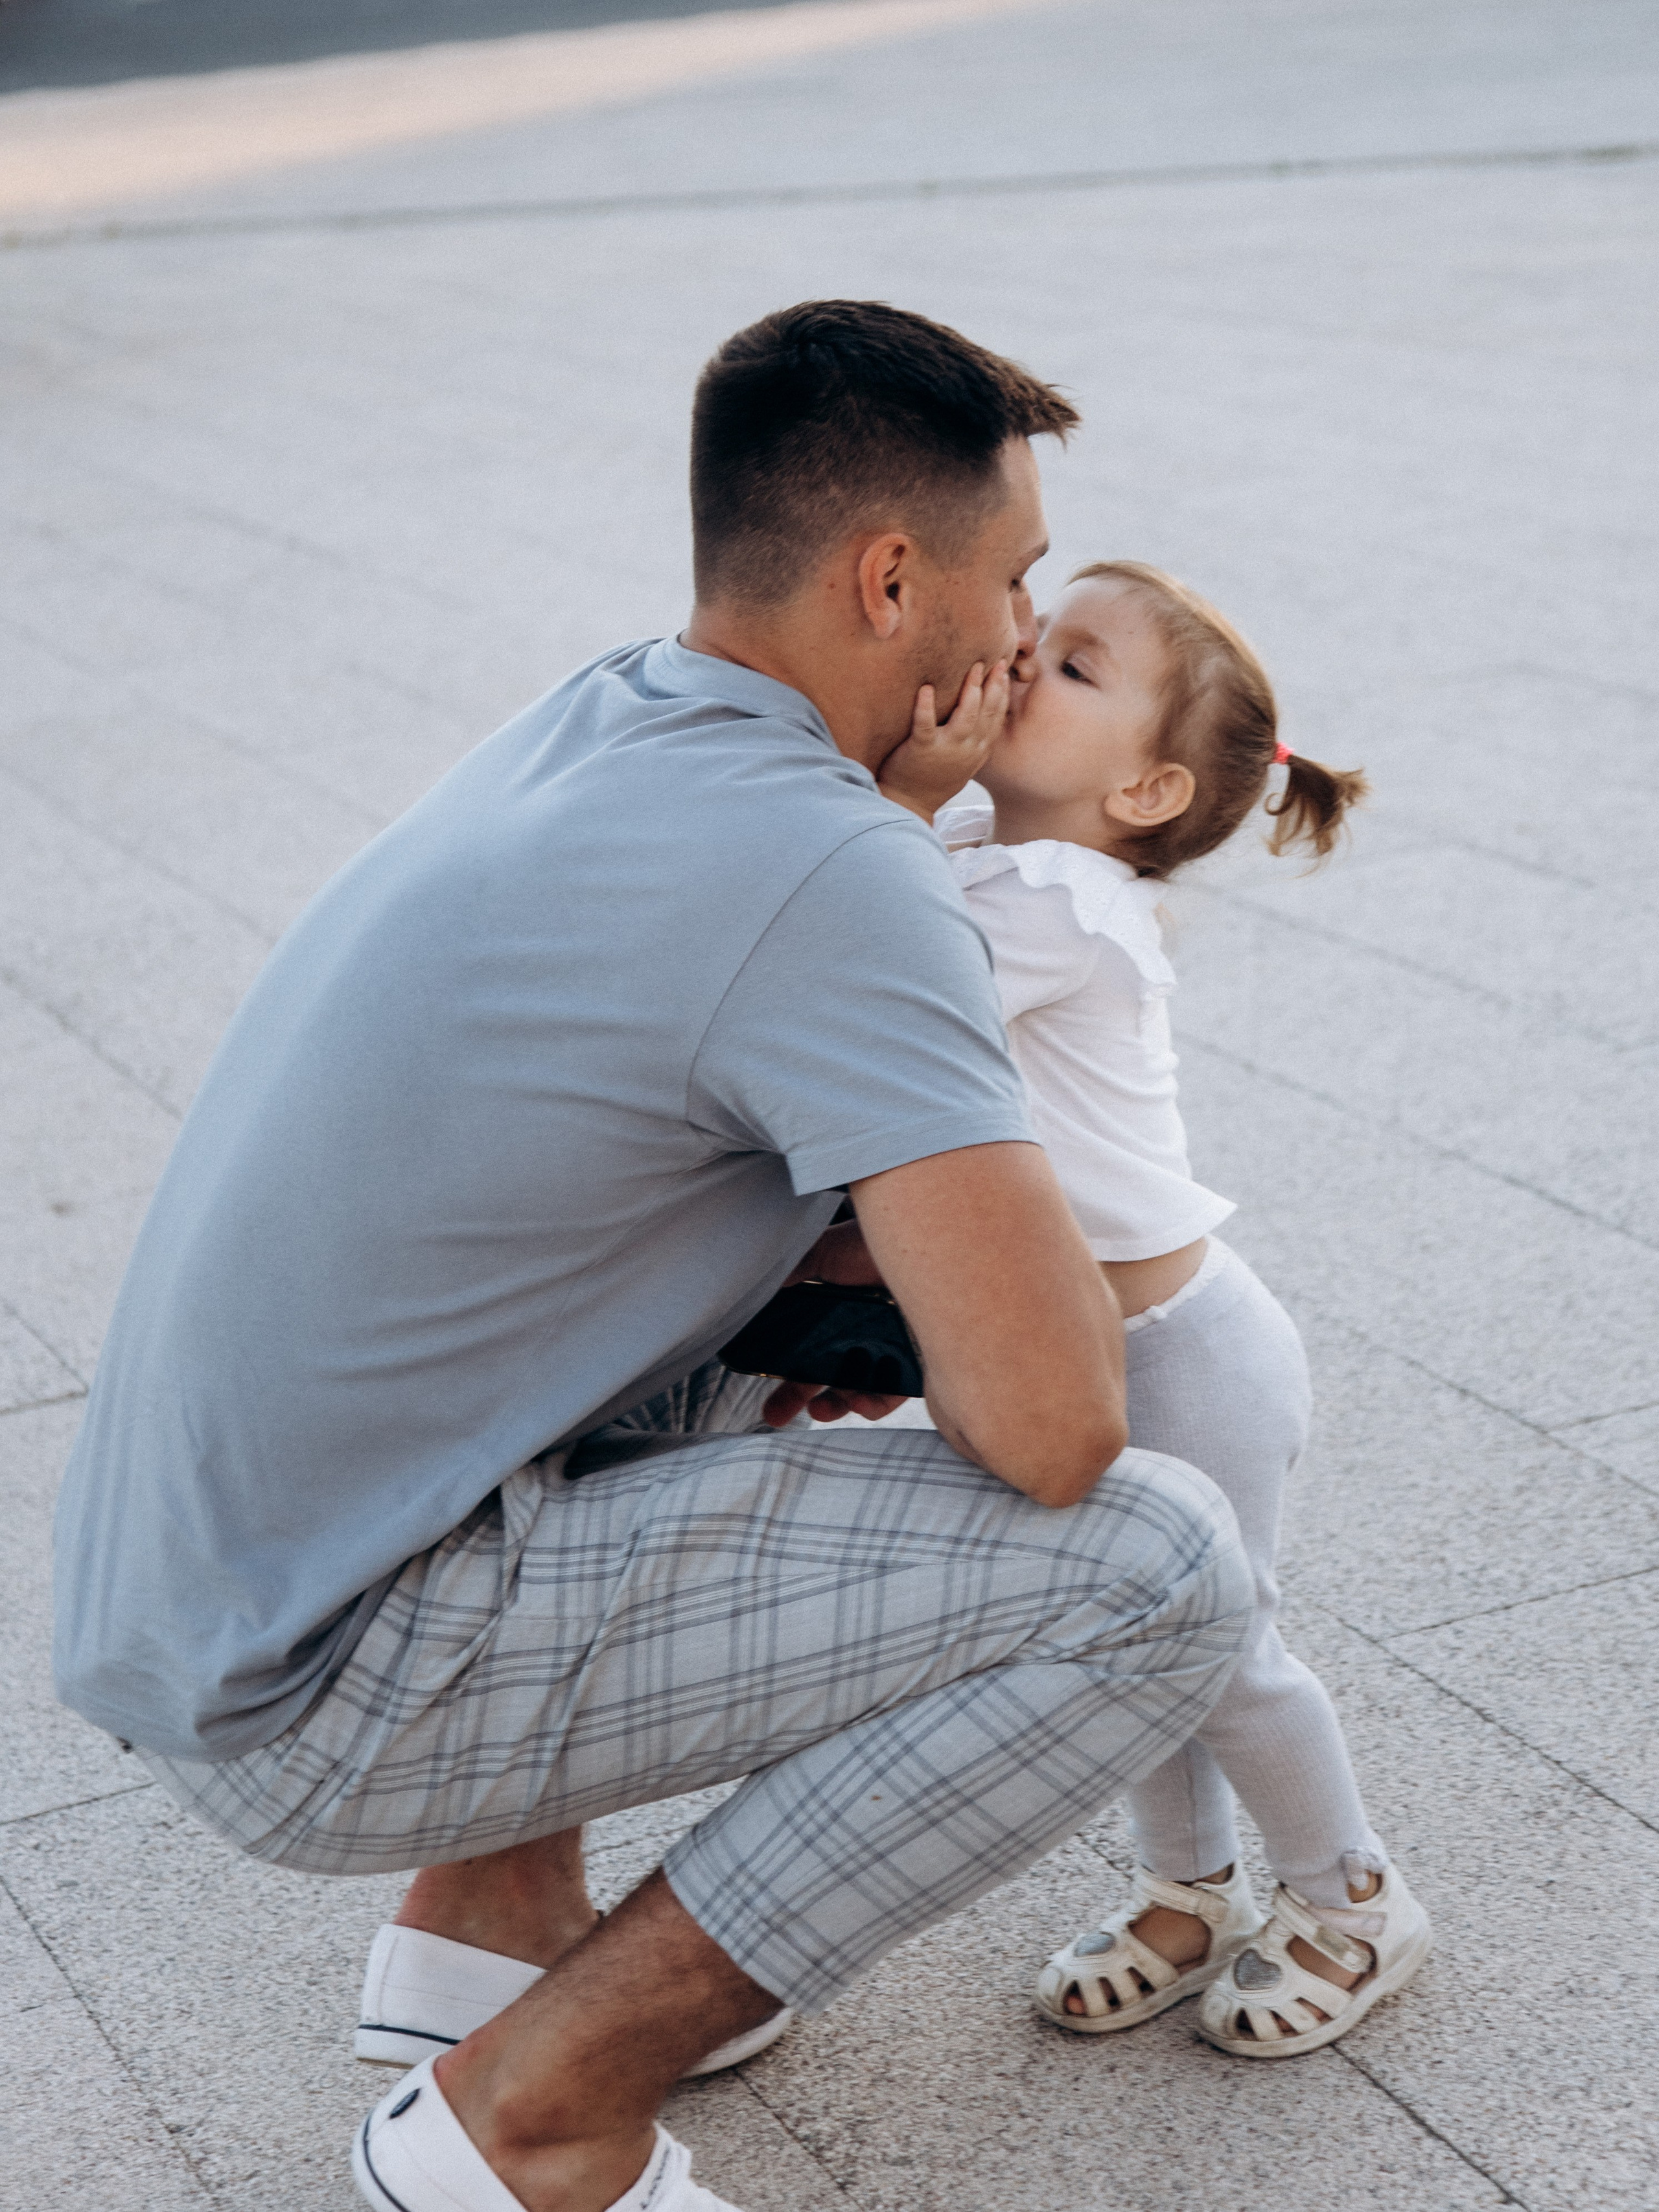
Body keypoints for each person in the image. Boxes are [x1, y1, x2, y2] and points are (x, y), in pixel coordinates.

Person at [52, 307, 1254, 2212]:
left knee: (773, 1280)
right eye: (1015, 576)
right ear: (888, 578)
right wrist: (895, 858)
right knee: (1162, 1572)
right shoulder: (837, 874)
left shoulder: (608, 710)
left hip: (196, 1594)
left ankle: (492, 1928)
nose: (1024, 630)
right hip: (330, 1681)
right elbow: (1053, 1426)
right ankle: (535, 2107)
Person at [876, 559, 1432, 2056]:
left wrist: (904, 788)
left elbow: (885, 981)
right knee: (1140, 1631)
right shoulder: (1007, 846)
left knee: (1227, 1644)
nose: (1017, 662)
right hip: (1083, 1348)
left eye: (1069, 668)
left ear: (1143, 791)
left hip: (1184, 1355)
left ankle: (1353, 1897)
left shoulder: (1063, 897)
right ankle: (1186, 1894)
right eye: (1035, 642)